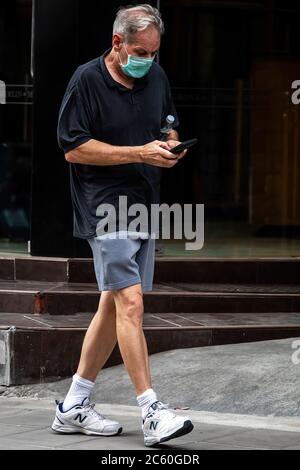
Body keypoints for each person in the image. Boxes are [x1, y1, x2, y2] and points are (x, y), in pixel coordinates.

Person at [51, 4, 193, 447]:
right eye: (139, 51)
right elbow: (73, 149)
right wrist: (138, 152)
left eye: (153, 52)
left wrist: (170, 147)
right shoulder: (86, 80)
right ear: (117, 42)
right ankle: (151, 410)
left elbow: (167, 126)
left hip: (145, 202)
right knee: (130, 302)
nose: (147, 60)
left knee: (113, 306)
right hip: (103, 204)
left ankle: (74, 404)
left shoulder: (157, 76)